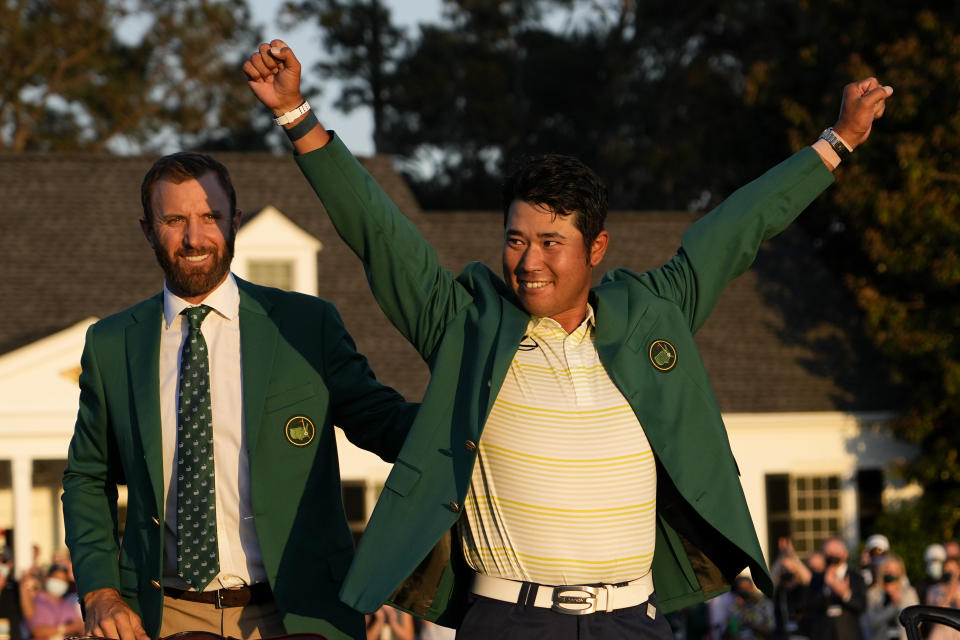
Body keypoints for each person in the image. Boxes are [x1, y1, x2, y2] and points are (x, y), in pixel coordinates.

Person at [244, 39, 892, 638]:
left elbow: (737, 229)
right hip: (508, 620)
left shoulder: (652, 316)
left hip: (635, 622)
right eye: (516, 238)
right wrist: (297, 116)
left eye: (551, 242)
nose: (528, 261)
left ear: (597, 249)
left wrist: (838, 140)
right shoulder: (463, 325)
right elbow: (379, 233)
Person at [61, 151, 419, 640]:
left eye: (210, 217)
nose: (194, 237)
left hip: (298, 614)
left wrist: (473, 416)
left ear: (236, 223)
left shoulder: (305, 325)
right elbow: (86, 475)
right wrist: (100, 592)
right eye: (174, 220)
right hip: (164, 616)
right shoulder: (111, 344)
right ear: (148, 229)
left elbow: (384, 422)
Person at [804, 538, 867, 640]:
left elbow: (862, 605)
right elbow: (809, 605)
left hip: (849, 634)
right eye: (828, 553)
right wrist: (826, 588)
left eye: (835, 552)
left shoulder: (856, 577)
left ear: (845, 554)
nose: (832, 556)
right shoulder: (817, 578)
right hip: (823, 633)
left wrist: (845, 594)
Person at [865, 554, 918, 640]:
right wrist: (892, 607)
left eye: (895, 571)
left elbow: (915, 621)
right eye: (888, 570)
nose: (891, 575)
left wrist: (898, 602)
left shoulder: (909, 592)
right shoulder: (873, 593)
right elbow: (872, 622)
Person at [24, 565, 83, 640]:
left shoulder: (68, 605)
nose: (59, 582)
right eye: (56, 578)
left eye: (63, 580)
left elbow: (79, 627)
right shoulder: (36, 601)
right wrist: (67, 628)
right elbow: (36, 631)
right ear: (47, 578)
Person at [726, 576, 774, 640]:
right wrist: (741, 608)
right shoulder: (735, 607)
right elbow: (731, 631)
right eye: (741, 589)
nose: (745, 592)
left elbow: (770, 631)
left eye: (747, 588)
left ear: (752, 588)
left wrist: (751, 623)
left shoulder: (764, 605)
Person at [925, 556, 960, 640]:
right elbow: (932, 615)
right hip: (940, 632)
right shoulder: (934, 590)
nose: (949, 573)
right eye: (947, 570)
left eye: (952, 571)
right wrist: (948, 595)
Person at [0, 551, 28, 640]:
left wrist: (24, 587)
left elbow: (29, 614)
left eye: (3, 562)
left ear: (10, 564)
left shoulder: (17, 586)